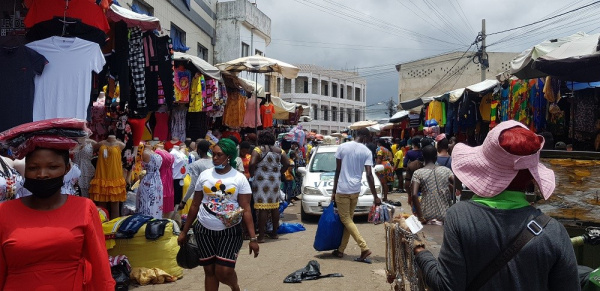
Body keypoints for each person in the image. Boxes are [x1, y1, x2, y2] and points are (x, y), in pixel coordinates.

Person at [414, 120, 579, 290]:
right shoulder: (554, 232)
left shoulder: (460, 217)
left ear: (484, 169)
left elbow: (446, 286)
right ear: (531, 177)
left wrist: (421, 253)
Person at [0, 146, 115, 289]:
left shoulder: (84, 208)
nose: (42, 174)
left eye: (52, 167)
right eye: (33, 168)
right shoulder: (4, 212)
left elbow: (100, 268)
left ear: (66, 169)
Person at [178, 138, 259, 291]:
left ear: (229, 157)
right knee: (209, 271)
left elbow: (246, 209)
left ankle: (235, 287)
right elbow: (195, 204)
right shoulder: (205, 176)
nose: (214, 158)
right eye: (213, 154)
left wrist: (253, 238)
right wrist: (184, 231)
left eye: (219, 155)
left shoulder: (239, 178)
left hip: (230, 231)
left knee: (224, 272)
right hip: (204, 230)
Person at [331, 128, 381, 263]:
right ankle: (341, 250)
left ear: (356, 135)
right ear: (364, 137)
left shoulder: (342, 147)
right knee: (349, 220)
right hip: (355, 190)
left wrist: (333, 191)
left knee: (346, 219)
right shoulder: (366, 151)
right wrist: (375, 195)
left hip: (342, 189)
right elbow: (369, 174)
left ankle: (364, 248)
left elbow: (338, 170)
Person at [249, 131, 290, 243]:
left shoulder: (258, 150)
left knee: (263, 207)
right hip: (275, 181)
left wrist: (252, 174)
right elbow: (287, 163)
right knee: (274, 206)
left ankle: (261, 236)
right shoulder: (279, 150)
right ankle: (274, 233)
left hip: (261, 181)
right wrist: (280, 173)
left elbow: (252, 163)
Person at [410, 145, 455, 224]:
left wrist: (420, 217)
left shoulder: (418, 173)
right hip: (445, 214)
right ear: (436, 156)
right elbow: (457, 186)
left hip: (426, 214)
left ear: (423, 157)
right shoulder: (446, 171)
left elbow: (414, 194)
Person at [180, 140, 213, 210]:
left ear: (199, 150)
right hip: (214, 196)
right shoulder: (214, 162)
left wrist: (184, 201)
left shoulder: (196, 164)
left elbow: (193, 185)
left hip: (202, 197)